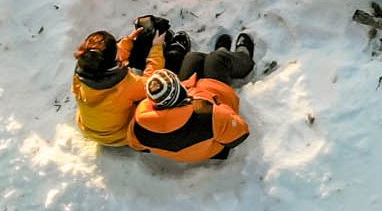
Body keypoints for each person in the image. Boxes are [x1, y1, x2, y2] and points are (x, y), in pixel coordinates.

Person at [126, 32, 259, 164]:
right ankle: (242, 57)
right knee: (217, 59)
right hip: (213, 96)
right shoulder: (208, 113)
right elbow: (240, 132)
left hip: (190, 96)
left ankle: (220, 54)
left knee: (193, 58)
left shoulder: (140, 123)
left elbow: (137, 145)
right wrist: (219, 108)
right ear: (180, 90)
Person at [71, 15, 177, 147]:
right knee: (157, 92)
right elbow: (151, 81)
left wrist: (129, 40)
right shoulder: (124, 84)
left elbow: (107, 59)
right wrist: (157, 47)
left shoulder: (81, 74)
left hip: (88, 129)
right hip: (119, 135)